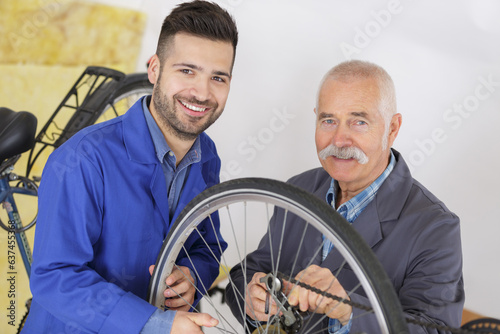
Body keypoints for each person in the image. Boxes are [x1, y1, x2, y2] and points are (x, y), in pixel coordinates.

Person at [22, 1, 238, 333]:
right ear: (154, 69)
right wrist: (156, 323)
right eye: (187, 70)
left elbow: (205, 247)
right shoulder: (83, 159)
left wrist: (191, 276)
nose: (202, 92)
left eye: (218, 78)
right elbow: (56, 277)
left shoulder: (206, 155)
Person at [226, 60, 464, 333]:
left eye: (359, 122)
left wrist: (348, 311)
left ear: (393, 129)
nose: (339, 140)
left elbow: (436, 330)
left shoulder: (435, 227)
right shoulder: (298, 190)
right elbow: (253, 268)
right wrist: (250, 295)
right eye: (328, 120)